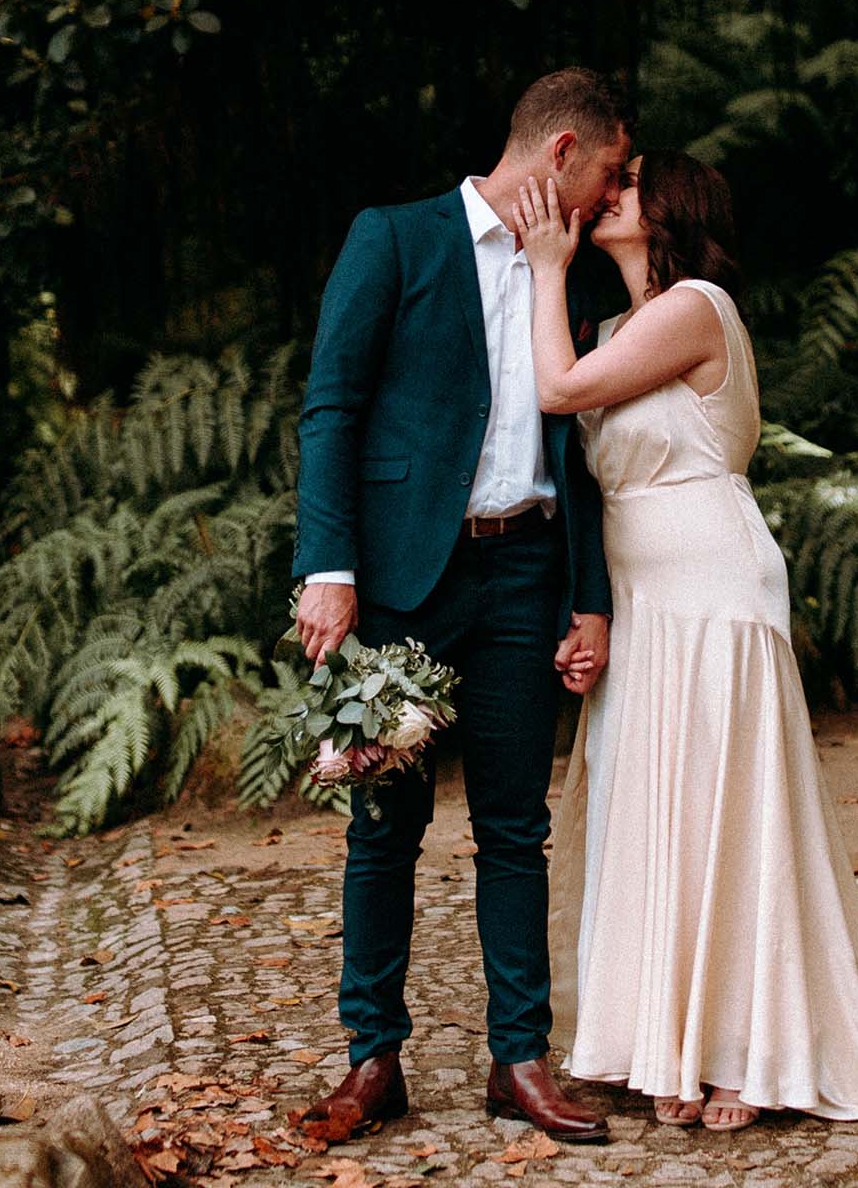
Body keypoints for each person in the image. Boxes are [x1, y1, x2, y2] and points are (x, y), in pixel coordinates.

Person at [517, 150, 858, 1134]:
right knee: (658, 814)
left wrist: (547, 264)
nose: (609, 196)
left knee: (725, 816)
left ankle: (751, 1055)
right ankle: (667, 1044)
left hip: (715, 586)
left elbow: (556, 391)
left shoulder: (695, 308)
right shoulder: (618, 325)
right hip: (646, 597)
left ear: (671, 211)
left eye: (628, 184)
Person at [290, 68, 631, 1145]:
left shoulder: (566, 271)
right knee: (384, 829)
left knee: (514, 829)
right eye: (609, 174)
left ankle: (517, 1060)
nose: (611, 197)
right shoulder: (393, 239)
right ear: (562, 151)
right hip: (402, 579)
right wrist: (330, 563)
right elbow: (332, 406)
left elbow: (577, 445)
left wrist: (588, 595)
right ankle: (372, 1058)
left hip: (527, 573)